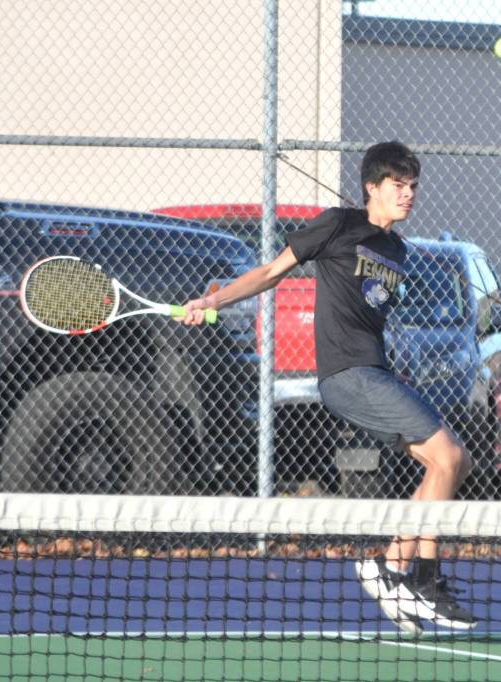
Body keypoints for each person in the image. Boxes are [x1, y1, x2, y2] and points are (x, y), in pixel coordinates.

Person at [177, 141, 476, 635]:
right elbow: (270, 272)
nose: (408, 195)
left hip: (376, 373)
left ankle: (390, 567)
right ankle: (422, 579)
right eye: (398, 186)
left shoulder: (398, 251)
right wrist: (212, 300)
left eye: (413, 186)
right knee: (446, 457)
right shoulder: (337, 223)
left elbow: (371, 307)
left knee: (453, 462)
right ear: (372, 188)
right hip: (347, 375)